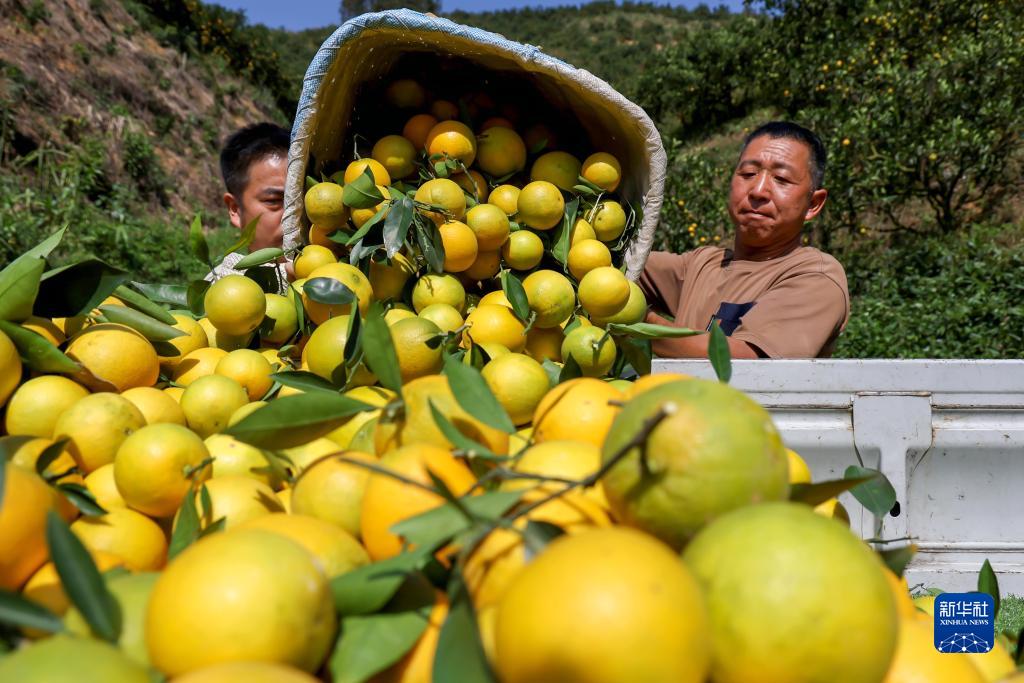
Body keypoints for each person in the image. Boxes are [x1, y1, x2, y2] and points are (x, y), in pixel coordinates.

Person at [641, 121, 849, 359]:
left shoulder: (815, 276)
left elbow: (747, 364)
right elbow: (612, 265)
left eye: (781, 179)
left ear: (813, 204)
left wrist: (636, 324)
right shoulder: (701, 264)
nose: (758, 190)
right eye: (748, 174)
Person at [208, 122, 290, 282]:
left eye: (301, 200)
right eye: (274, 201)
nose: (293, 215)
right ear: (235, 209)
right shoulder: (218, 291)